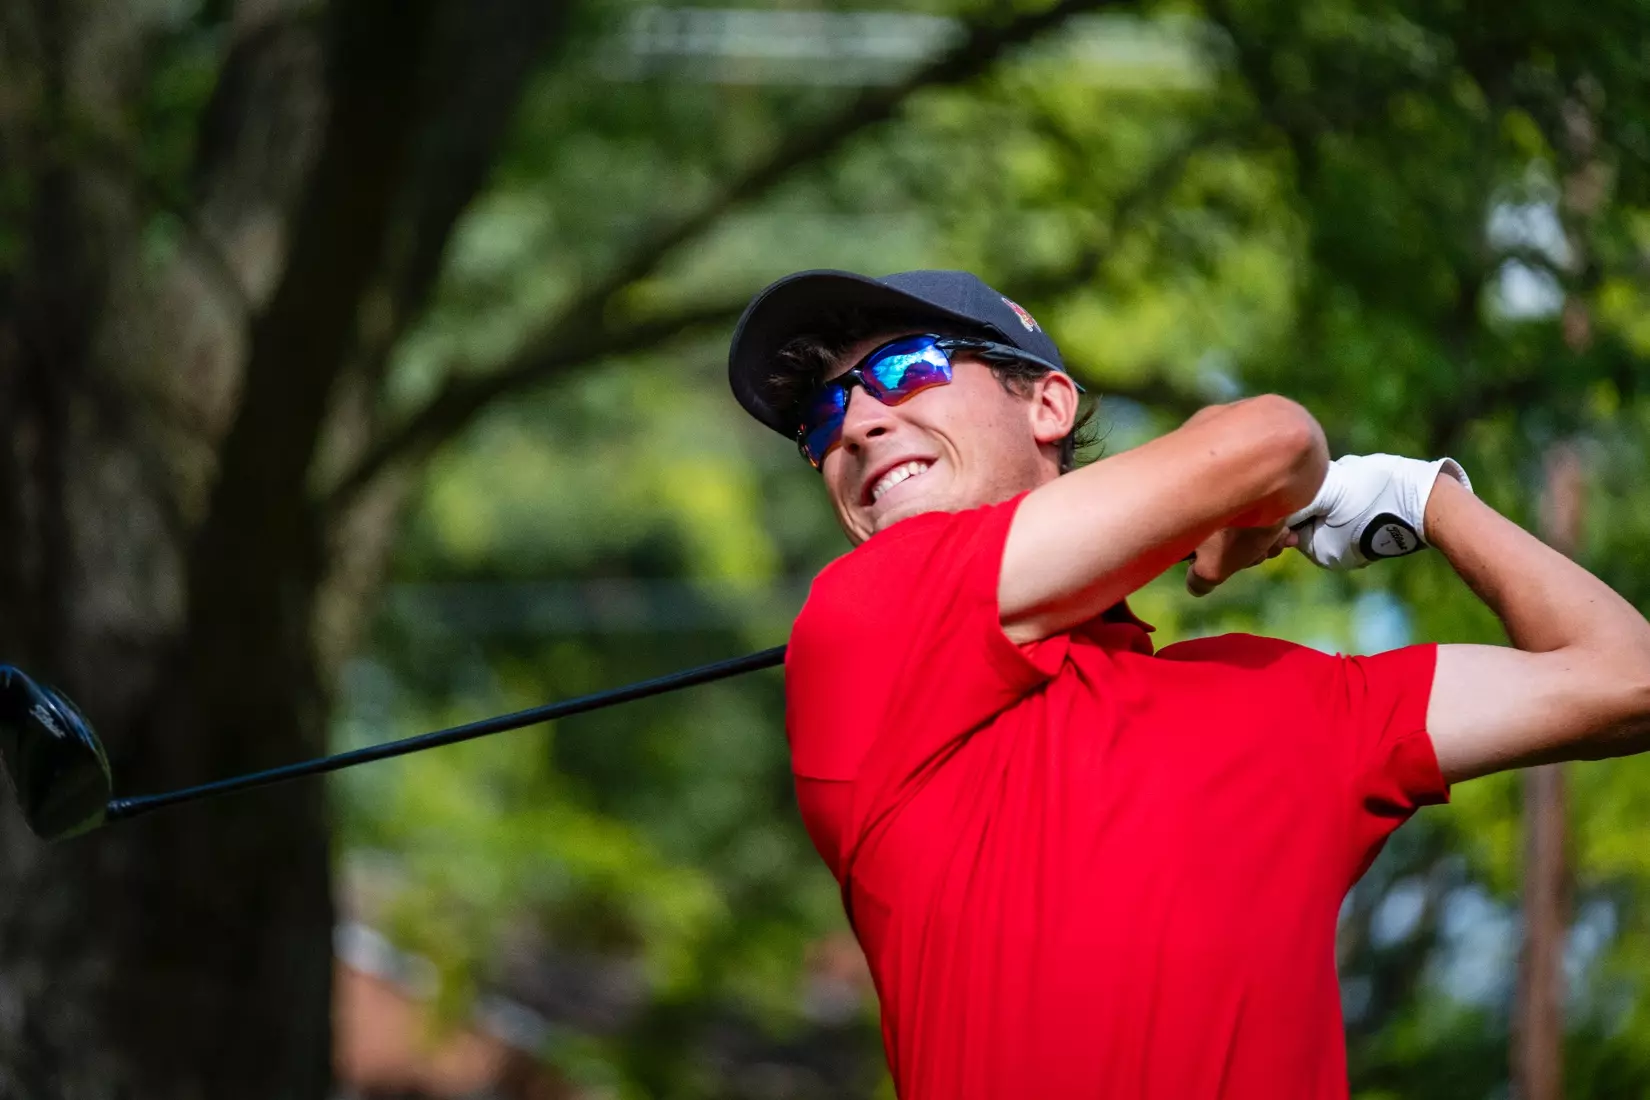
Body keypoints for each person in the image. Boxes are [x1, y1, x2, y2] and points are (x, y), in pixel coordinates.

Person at [725, 269, 1650, 1099]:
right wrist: (1271, 483)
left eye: (906, 368)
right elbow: (1274, 439)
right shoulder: (861, 619)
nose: (856, 422)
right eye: (822, 416)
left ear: (1047, 403)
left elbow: (1623, 676)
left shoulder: (1277, 699)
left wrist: (1421, 496)